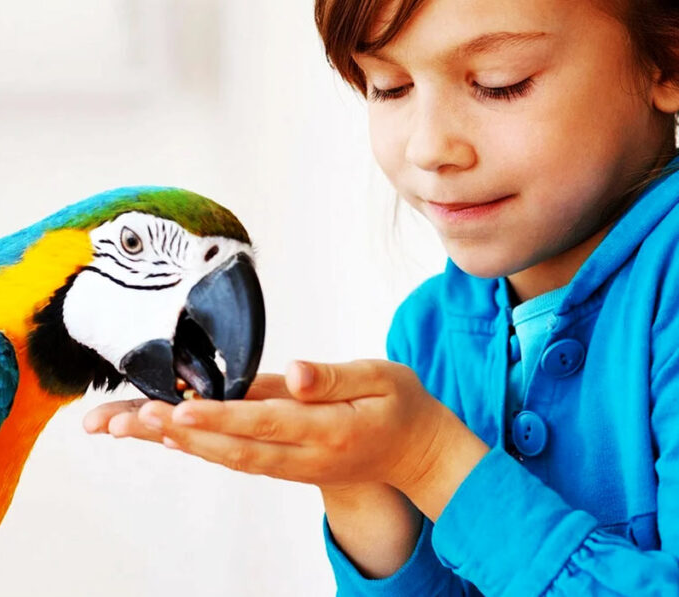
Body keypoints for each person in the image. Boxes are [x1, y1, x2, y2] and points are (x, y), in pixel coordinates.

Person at [83, 0, 679, 593]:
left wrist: (430, 459)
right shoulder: (428, 332)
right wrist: (359, 477)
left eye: (501, 84)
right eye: (389, 87)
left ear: (668, 61)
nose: (428, 148)